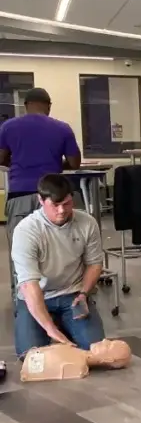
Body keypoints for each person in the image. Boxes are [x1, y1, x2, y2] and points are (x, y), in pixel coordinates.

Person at [10, 174, 105, 359]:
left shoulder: (87, 223)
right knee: (32, 357)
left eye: (67, 203)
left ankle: (67, 324)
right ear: (41, 200)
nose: (62, 210)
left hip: (73, 295)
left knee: (96, 351)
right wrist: (50, 329)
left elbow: (94, 263)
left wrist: (84, 293)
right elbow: (29, 285)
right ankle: (52, 325)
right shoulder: (26, 230)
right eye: (55, 205)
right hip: (39, 297)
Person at [0, 88, 81, 280]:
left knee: (21, 252)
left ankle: (24, 301)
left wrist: (17, 162)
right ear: (49, 106)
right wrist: (55, 164)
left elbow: (0, 158)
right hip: (52, 198)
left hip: (20, 195)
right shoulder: (62, 128)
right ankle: (57, 296)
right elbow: (74, 163)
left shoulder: (8, 127)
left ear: (26, 105)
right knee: (56, 249)